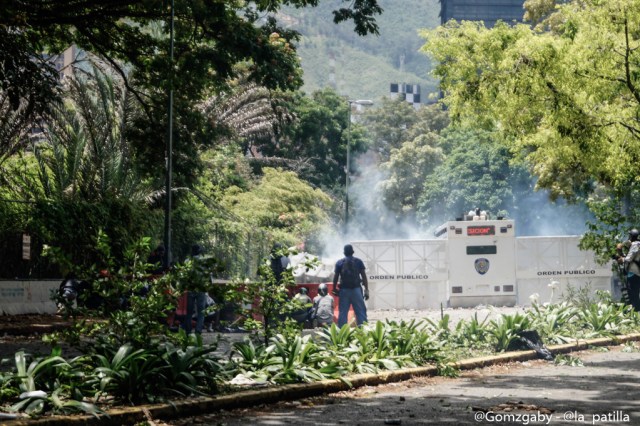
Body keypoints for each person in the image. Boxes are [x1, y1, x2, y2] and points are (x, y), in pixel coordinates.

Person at [332, 244, 369, 327]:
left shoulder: (339, 262)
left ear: (344, 253)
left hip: (344, 291)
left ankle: (342, 333)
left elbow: (336, 277)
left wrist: (334, 288)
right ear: (353, 252)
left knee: (343, 312)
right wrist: (366, 290)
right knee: (360, 311)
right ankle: (364, 332)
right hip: (356, 290)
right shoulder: (358, 262)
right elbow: (364, 276)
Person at [183, 244, 209, 335]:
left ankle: (188, 330)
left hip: (190, 288)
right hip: (201, 288)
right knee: (201, 311)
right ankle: (198, 330)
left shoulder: (187, 261)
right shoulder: (204, 261)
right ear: (199, 251)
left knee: (189, 311)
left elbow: (184, 276)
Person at [617, 229, 640, 311]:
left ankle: (636, 313)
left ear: (631, 236)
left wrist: (621, 259)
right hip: (634, 273)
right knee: (633, 294)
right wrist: (620, 252)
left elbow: (628, 259)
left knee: (633, 295)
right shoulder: (636, 244)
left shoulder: (636, 244)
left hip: (634, 273)